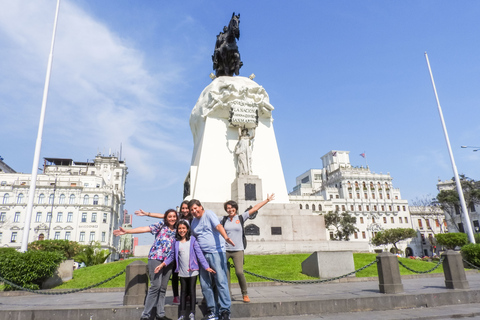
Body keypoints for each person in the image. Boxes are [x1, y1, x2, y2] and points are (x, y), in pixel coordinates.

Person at [114, 209, 178, 320]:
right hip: (156, 258)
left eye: (174, 216)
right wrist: (128, 231)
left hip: (168, 262)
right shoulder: (161, 225)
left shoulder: (178, 229)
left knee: (163, 288)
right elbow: (145, 229)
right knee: (155, 286)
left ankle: (160, 314)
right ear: (166, 218)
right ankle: (146, 315)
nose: (172, 218)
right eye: (169, 216)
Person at [155, 220, 216, 320]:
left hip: (193, 270)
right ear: (177, 230)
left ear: (187, 229)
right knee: (183, 293)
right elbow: (171, 256)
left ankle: (192, 313)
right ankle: (182, 314)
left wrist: (206, 267)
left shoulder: (192, 240)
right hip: (182, 271)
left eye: (184, 228)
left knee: (192, 292)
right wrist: (162, 264)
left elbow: (199, 254)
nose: (182, 230)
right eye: (179, 228)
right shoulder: (176, 242)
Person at [135, 200, 192, 304]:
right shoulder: (176, 218)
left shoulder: (192, 219)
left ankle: (187, 296)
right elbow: (162, 216)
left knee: (187, 273)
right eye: (183, 208)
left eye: (187, 208)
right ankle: (175, 296)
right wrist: (147, 214)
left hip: (184, 249)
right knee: (174, 275)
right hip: (168, 253)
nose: (185, 210)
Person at [222, 193, 275, 303]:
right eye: (228, 208)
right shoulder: (223, 219)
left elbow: (255, 208)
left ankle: (244, 294)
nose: (230, 209)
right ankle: (227, 294)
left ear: (235, 208)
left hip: (238, 250)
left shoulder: (241, 217)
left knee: (239, 272)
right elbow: (212, 222)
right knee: (224, 273)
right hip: (225, 250)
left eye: (231, 207)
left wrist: (267, 200)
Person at [188, 199, 234, 320]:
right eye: (191, 210)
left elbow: (218, 226)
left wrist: (226, 237)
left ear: (201, 207)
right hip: (202, 256)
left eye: (195, 208)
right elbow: (193, 239)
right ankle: (213, 310)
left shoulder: (208, 214)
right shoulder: (193, 222)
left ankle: (225, 311)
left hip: (216, 252)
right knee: (205, 284)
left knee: (220, 281)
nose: (194, 211)